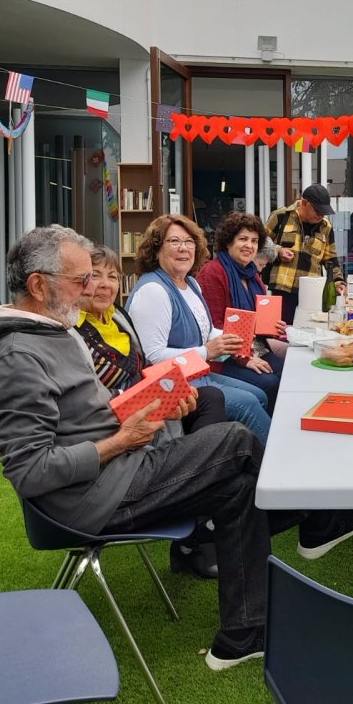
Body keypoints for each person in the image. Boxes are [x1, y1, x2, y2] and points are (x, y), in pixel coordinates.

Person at [0, 225, 353, 671]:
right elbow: (32, 471)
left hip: (116, 474)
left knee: (238, 487)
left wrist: (152, 408)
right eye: (80, 280)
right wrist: (120, 440)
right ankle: (319, 516)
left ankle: (242, 635)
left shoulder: (54, 331)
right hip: (90, 499)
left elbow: (82, 418)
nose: (91, 289)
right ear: (38, 285)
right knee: (236, 441)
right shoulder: (17, 356)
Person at [75, 244, 226, 579]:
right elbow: (100, 393)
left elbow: (142, 367)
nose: (105, 284)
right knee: (230, 430)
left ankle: (200, 501)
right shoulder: (76, 331)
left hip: (147, 398)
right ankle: (200, 526)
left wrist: (167, 389)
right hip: (120, 420)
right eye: (94, 276)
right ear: (78, 282)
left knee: (211, 397)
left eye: (112, 276)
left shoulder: (118, 317)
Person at [125, 214, 272, 445]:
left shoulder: (191, 283)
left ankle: (242, 458)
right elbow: (153, 357)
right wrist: (207, 351)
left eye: (189, 242)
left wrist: (233, 340)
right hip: (170, 384)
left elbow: (207, 330)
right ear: (156, 249)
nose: (183, 248)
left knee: (260, 395)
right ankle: (271, 467)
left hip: (196, 374)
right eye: (174, 242)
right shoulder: (153, 290)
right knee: (249, 404)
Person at [196, 213, 284, 412]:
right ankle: (268, 437)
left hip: (256, 347)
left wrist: (272, 327)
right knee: (270, 383)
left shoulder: (252, 274)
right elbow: (215, 326)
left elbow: (259, 322)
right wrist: (245, 358)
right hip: (224, 357)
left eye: (254, 241)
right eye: (243, 239)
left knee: (289, 372)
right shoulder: (213, 272)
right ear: (228, 242)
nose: (249, 246)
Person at [264, 184, 345, 323]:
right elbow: (261, 242)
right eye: (317, 211)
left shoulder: (326, 227)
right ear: (304, 203)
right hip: (282, 288)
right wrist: (278, 250)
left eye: (324, 212)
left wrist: (338, 281)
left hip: (312, 291)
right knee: (281, 332)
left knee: (309, 330)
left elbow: (331, 259)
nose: (321, 215)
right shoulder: (281, 216)